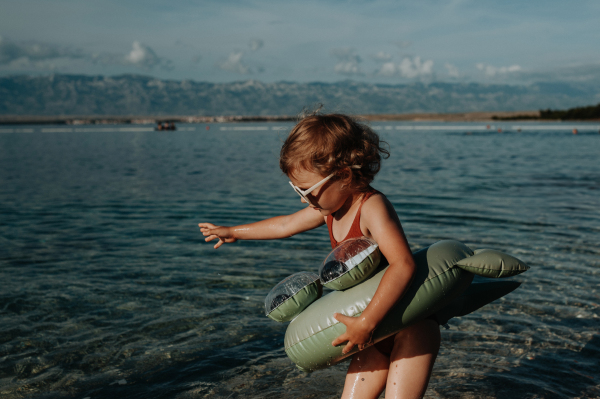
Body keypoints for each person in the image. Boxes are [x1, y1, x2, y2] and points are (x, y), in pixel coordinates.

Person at [199, 113, 440, 399]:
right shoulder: (328, 208)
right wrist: (234, 232)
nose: (303, 199)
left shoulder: (372, 207)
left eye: (308, 190)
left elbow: (403, 264)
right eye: (297, 189)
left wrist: (366, 322)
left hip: (408, 328)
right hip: (373, 336)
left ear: (344, 175)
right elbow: (287, 224)